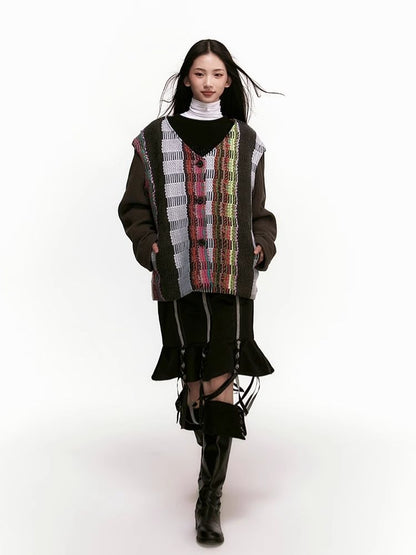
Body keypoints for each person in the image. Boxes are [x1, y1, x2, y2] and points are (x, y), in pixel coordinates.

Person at [118, 39, 279, 546]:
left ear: (228, 81)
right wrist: (150, 246)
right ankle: (202, 446)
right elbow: (133, 207)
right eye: (199, 73)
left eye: (217, 74)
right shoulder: (153, 139)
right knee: (195, 388)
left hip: (232, 277)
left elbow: (259, 212)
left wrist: (262, 245)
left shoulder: (246, 141)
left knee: (221, 382)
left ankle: (210, 499)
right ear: (186, 77)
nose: (208, 82)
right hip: (180, 278)